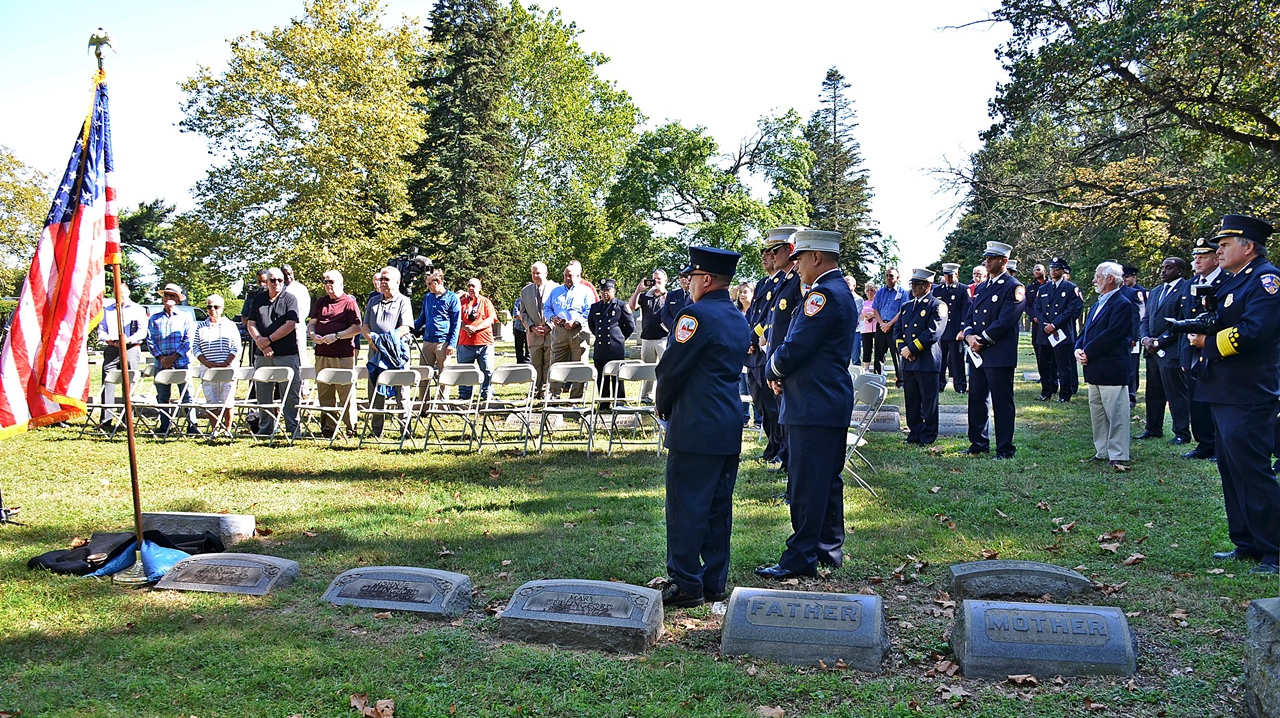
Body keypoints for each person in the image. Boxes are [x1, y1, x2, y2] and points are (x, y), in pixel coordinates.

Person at [756, 230, 857, 580]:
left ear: (817, 257)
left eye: (800, 258)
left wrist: (772, 367)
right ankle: (828, 547)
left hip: (812, 402)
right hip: (822, 399)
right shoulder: (836, 290)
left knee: (806, 482)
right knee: (826, 479)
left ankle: (800, 557)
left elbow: (796, 345)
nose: (796, 265)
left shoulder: (825, 295)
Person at [655, 246, 750, 607]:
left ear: (706, 279)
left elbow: (671, 369)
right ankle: (713, 581)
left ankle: (685, 583)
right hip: (727, 423)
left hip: (695, 424)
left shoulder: (693, 315)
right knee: (716, 508)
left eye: (692, 277)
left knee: (685, 507)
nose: (689, 283)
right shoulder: (737, 317)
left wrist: (664, 407)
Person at [1188, 214, 1280, 574]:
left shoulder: (1266, 280)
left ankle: (1273, 550)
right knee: (1230, 469)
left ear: (1249, 247)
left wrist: (1207, 343)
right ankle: (1245, 541)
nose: (1219, 250)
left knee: (1253, 471)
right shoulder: (1234, 280)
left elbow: (1255, 332)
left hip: (1248, 391)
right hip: (1224, 389)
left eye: (1226, 245)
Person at [959, 241, 1025, 459]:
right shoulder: (981, 287)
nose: (986, 262)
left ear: (1003, 261)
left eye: (992, 258)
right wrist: (969, 336)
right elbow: (970, 315)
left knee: (1001, 401)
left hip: (998, 353)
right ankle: (978, 443)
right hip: (977, 354)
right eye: (986, 258)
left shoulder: (1013, 287)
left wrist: (982, 340)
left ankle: (1005, 448)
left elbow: (1005, 321)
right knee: (977, 398)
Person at [1075, 262, 1135, 469]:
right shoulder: (1097, 303)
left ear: (1110, 278)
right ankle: (1102, 450)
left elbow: (1111, 335)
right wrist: (1078, 348)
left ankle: (1118, 453)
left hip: (1111, 367)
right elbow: (1085, 332)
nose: (1094, 280)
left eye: (1098, 276)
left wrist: (1088, 351)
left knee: (1116, 413)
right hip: (1093, 367)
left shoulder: (1123, 304)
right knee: (1098, 412)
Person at [755, 226, 804, 476]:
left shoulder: (798, 281)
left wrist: (781, 367)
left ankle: (790, 462)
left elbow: (797, 328)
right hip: (775, 359)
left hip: (787, 363)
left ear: (791, 249)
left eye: (776, 250)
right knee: (781, 417)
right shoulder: (782, 280)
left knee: (788, 419)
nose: (771, 255)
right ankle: (786, 459)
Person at [1179, 237, 1228, 460]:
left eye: (1203, 256)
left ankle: (1220, 445)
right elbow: (1185, 318)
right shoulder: (1191, 284)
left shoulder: (1227, 281)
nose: (1197, 260)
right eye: (1195, 257)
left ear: (1216, 259)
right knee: (1195, 398)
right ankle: (1203, 443)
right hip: (1192, 350)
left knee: (1216, 399)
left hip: (1216, 348)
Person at [1138, 256, 1192, 443]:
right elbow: (1146, 319)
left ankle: (1181, 433)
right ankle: (1153, 428)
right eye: (1162, 267)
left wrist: (1160, 342)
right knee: (1153, 392)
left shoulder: (1185, 289)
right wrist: (1145, 339)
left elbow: (1182, 321)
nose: (1163, 271)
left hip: (1171, 350)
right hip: (1151, 351)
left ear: (1179, 271)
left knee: (1175, 393)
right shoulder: (1155, 291)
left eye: (1168, 268)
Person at [245, 268, 303, 438]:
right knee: (263, 393)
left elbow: (290, 324)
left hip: (286, 354)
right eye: (272, 280)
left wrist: (268, 340)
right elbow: (251, 323)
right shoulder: (258, 300)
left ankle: (293, 429)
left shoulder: (290, 299)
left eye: (279, 279)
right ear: (267, 282)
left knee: (290, 393)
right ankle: (266, 428)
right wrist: (260, 343)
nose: (276, 283)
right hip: (262, 354)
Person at [896, 269, 948, 445]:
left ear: (928, 285)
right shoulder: (906, 306)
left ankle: (928, 435)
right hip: (909, 362)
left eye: (917, 284)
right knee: (911, 400)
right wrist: (903, 349)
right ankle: (914, 432)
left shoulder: (937, 305)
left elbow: (933, 332)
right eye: (912, 284)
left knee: (928, 401)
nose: (913, 288)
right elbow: (898, 331)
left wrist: (912, 349)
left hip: (926, 360)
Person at [307, 271, 363, 436]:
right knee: (325, 392)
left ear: (340, 283)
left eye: (331, 281)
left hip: (342, 355)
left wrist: (337, 336)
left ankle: (351, 427)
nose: (327, 285)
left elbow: (357, 328)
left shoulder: (349, 303)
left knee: (346, 392)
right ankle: (328, 428)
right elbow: (312, 324)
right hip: (322, 353)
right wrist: (312, 335)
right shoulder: (321, 302)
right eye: (325, 282)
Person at [362, 266, 413, 435]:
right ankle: (376, 430)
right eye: (381, 279)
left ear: (397, 282)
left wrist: (386, 341)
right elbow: (365, 325)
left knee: (402, 391)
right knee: (376, 389)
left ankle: (405, 429)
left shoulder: (403, 301)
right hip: (375, 352)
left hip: (396, 352)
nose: (382, 282)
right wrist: (372, 340)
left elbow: (405, 327)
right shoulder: (373, 301)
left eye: (387, 279)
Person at [147, 283, 197, 436]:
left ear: (178, 299)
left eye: (172, 295)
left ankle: (192, 425)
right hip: (161, 364)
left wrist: (173, 357)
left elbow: (188, 340)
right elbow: (150, 340)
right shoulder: (154, 318)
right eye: (166, 295)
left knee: (187, 395)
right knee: (162, 397)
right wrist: (162, 358)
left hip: (181, 362)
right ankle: (165, 425)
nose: (168, 298)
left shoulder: (185, 317)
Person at [97, 282, 148, 427]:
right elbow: (101, 329)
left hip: (131, 348)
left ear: (128, 292)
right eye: (117, 293)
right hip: (112, 349)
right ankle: (106, 420)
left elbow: (142, 331)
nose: (120, 296)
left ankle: (128, 420)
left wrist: (128, 339)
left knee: (129, 383)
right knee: (108, 381)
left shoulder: (138, 309)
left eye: (122, 293)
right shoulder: (108, 310)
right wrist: (108, 339)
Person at [543, 261, 595, 399]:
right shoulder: (556, 291)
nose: (567, 278)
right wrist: (552, 318)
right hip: (559, 331)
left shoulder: (586, 291)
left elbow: (590, 310)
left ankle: (576, 398)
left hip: (578, 331)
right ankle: (554, 395)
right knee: (555, 363)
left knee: (580, 364)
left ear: (578, 276)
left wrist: (576, 321)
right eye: (565, 275)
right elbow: (547, 308)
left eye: (570, 276)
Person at [1038, 257, 1084, 402]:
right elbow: (1037, 308)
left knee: (1064, 365)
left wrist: (1055, 325)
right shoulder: (1043, 288)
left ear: (1063, 270)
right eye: (1051, 268)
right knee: (1045, 364)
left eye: (1057, 269)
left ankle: (1065, 393)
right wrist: (1044, 324)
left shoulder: (1071, 288)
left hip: (1061, 332)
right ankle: (1047, 390)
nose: (1053, 271)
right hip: (1045, 332)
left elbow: (1071, 310)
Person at [193, 293, 240, 434]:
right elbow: (195, 347)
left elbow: (236, 346)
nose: (212, 309)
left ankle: (227, 428)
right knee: (211, 399)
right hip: (208, 368)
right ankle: (215, 429)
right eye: (209, 306)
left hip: (227, 368)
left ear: (222, 308)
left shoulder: (230, 325)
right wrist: (206, 362)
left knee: (228, 399)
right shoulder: (200, 326)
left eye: (216, 306)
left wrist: (227, 362)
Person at [415, 269, 461, 397]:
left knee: (443, 375)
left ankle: (442, 404)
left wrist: (452, 344)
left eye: (430, 284)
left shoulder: (452, 298)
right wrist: (409, 326)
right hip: (427, 341)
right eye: (427, 284)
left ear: (439, 282)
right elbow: (422, 317)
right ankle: (424, 403)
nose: (428, 287)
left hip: (443, 342)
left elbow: (456, 323)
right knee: (424, 374)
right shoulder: (428, 297)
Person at [588, 279, 635, 399]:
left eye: (608, 290)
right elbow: (592, 325)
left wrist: (619, 338)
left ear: (614, 290)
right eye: (602, 290)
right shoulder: (595, 307)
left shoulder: (621, 306)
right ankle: (604, 402)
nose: (605, 293)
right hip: (600, 347)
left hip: (615, 347)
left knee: (617, 376)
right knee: (601, 376)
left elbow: (630, 326)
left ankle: (618, 400)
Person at [628, 269, 669, 403]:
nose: (656, 282)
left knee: (665, 368)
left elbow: (673, 308)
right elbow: (631, 306)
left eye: (659, 279)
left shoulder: (669, 296)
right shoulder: (646, 297)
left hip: (663, 338)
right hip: (647, 338)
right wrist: (638, 290)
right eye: (654, 279)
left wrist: (663, 292)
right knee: (647, 369)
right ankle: (646, 396)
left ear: (665, 281)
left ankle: (664, 395)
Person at [519, 262, 558, 398]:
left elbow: (559, 311)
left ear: (546, 274)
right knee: (535, 363)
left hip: (551, 334)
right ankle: (535, 390)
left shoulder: (555, 289)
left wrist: (550, 326)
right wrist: (531, 327)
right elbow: (522, 313)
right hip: (533, 334)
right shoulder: (525, 291)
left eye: (538, 273)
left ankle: (547, 391)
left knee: (549, 363)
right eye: (533, 273)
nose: (535, 276)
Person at [457, 278, 496, 400]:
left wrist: (476, 328)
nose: (471, 288)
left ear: (480, 288)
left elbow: (491, 319)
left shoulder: (486, 302)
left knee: (487, 370)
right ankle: (464, 395)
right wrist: (465, 327)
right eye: (469, 286)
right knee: (464, 371)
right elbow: (455, 319)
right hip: (465, 343)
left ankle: (487, 393)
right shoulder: (461, 303)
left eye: (474, 286)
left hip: (484, 342)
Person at [934, 264, 968, 393]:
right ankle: (939, 384)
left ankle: (960, 385)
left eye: (951, 275)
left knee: (957, 360)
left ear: (956, 275)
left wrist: (962, 329)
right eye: (946, 275)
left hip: (955, 330)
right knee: (940, 359)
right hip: (942, 331)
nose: (948, 278)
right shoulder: (938, 290)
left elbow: (965, 310)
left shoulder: (963, 289)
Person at [871, 267, 908, 384]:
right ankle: (877, 378)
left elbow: (902, 311)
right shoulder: (880, 292)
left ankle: (900, 380)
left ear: (897, 278)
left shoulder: (902, 292)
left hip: (895, 327)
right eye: (887, 275)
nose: (888, 278)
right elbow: (875, 309)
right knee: (878, 353)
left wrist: (890, 324)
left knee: (896, 354)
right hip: (881, 325)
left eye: (891, 276)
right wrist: (882, 324)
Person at [1026, 262, 1056, 400]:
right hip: (1038, 326)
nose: (1036, 272)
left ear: (1045, 271)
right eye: (1034, 270)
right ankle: (1046, 386)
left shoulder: (1050, 286)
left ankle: (1055, 383)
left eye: (1039, 269)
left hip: (1052, 325)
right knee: (1041, 355)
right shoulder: (1030, 288)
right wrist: (1034, 317)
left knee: (1054, 356)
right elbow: (1027, 305)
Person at [1119, 265, 1148, 407]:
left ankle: (1131, 394)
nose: (1125, 279)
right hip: (1118, 336)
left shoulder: (1136, 293)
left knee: (1132, 366)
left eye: (1127, 276)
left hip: (1131, 336)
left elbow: (1139, 317)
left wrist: (1135, 337)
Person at [733, 282, 756, 426]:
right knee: (742, 387)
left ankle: (759, 419)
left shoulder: (756, 310)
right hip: (739, 353)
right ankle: (744, 418)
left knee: (754, 387)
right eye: (740, 292)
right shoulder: (735, 311)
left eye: (745, 292)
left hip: (755, 353)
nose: (742, 295)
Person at [281, 264, 311, 368]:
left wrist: (293, 322)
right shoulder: (279, 289)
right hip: (281, 329)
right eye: (285, 275)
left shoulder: (300, 289)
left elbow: (305, 308)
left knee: (301, 354)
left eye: (289, 274)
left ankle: (304, 383)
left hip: (297, 327)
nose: (288, 277)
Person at [660, 268, 692, 336]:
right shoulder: (672, 295)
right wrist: (676, 329)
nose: (683, 279)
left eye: (686, 276)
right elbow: (665, 315)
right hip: (675, 334)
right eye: (681, 276)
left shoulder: (699, 295)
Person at [845, 276, 864, 367]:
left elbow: (853, 315)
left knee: (855, 358)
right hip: (842, 332)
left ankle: (857, 380)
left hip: (855, 332)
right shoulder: (840, 297)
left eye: (848, 283)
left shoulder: (858, 299)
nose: (845, 285)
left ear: (854, 285)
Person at [859, 283, 878, 370]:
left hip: (877, 327)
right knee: (867, 349)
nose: (870, 292)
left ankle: (880, 367)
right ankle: (866, 368)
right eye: (868, 290)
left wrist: (874, 315)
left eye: (872, 290)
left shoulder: (879, 301)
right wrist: (866, 315)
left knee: (879, 348)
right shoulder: (863, 303)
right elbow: (860, 317)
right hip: (866, 329)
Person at [512, 296, 528, 365]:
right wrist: (525, 320)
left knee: (529, 348)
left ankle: (528, 364)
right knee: (519, 347)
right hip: (519, 328)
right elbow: (516, 313)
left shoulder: (534, 300)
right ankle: (519, 364)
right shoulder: (519, 300)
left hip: (530, 329)